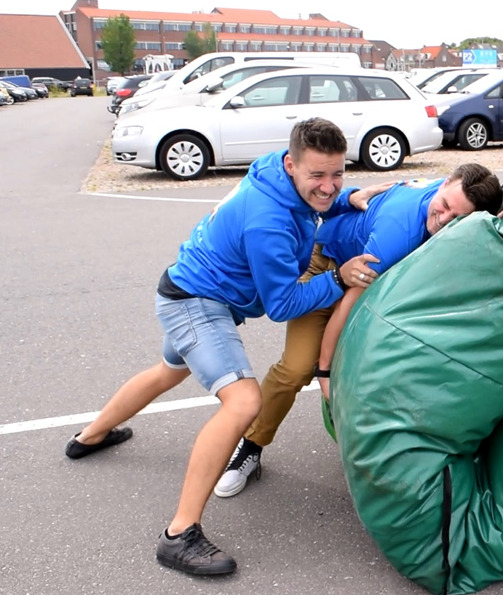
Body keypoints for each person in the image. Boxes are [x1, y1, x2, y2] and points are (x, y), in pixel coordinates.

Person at [63, 118, 386, 576]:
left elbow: (321, 194)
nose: (328, 185)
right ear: (292, 164)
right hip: (196, 304)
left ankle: (89, 436)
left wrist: (343, 196)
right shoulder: (268, 221)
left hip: (185, 287)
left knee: (167, 371)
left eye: (337, 173)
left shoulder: (276, 174)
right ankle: (179, 534)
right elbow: (284, 304)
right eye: (318, 176)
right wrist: (338, 276)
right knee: (243, 401)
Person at [213, 163, 503, 499]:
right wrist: (325, 370)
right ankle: (250, 446)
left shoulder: (450, 189)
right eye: (444, 207)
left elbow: (407, 187)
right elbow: (351, 297)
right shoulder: (399, 233)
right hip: (328, 270)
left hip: (371, 275)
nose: (442, 221)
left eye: (457, 218)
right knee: (296, 368)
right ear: (447, 182)